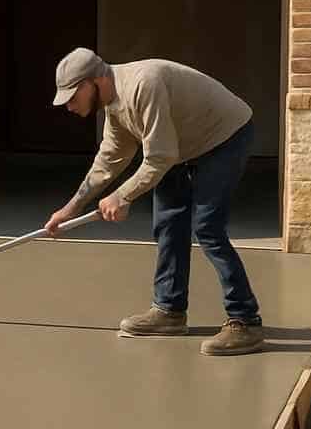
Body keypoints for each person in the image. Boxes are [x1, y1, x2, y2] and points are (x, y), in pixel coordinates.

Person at [42, 48, 265, 356]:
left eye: (71, 96)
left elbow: (160, 156)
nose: (69, 106)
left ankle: (246, 321)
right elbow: (109, 159)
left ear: (92, 81)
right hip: (181, 144)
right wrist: (70, 209)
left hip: (223, 137)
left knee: (207, 227)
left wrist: (123, 195)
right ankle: (169, 311)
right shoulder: (115, 105)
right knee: (168, 222)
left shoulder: (142, 84)